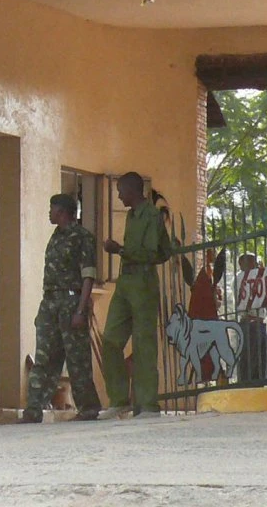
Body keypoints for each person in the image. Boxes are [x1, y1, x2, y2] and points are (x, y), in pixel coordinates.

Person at [99, 172, 174, 418]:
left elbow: (153, 253)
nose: (118, 195)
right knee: (110, 339)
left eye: (121, 190)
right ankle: (119, 399)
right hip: (125, 281)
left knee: (144, 344)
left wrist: (119, 250)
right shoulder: (132, 215)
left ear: (132, 190)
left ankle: (147, 404)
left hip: (142, 281)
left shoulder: (151, 216)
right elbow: (165, 251)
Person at [22, 194, 101, 422]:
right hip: (50, 302)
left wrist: (80, 309)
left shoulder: (82, 238)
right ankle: (34, 409)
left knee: (77, 358)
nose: (49, 212)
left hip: (71, 301)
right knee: (45, 357)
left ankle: (88, 407)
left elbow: (88, 276)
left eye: (52, 208)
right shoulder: (55, 236)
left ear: (63, 211)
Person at [233, 252, 267, 383]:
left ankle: (257, 388)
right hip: (248, 323)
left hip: (259, 323)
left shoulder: (256, 277)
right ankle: (245, 388)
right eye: (252, 262)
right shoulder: (240, 278)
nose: (255, 264)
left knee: (260, 362)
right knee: (249, 360)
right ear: (242, 265)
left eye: (255, 261)